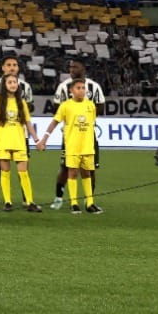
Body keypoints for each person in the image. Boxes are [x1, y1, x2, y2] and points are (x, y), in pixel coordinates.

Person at [38, 78, 100, 216]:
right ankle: (74, 203)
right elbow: (55, 122)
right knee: (72, 173)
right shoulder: (66, 106)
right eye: (78, 88)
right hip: (72, 146)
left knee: (87, 173)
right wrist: (44, 139)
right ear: (71, 91)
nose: (82, 90)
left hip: (88, 146)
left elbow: (91, 124)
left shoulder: (90, 105)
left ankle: (90, 203)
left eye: (83, 88)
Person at [48, 60, 106, 210]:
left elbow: (100, 107)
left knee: (90, 170)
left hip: (88, 134)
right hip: (70, 136)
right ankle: (59, 198)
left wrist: (84, 114)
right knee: (65, 168)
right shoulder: (63, 87)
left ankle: (89, 201)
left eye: (75, 67)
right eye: (70, 67)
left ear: (83, 68)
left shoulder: (94, 87)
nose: (71, 69)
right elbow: (57, 107)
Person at [0, 55, 31, 209]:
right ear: (2, 67)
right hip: (2, 134)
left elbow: (27, 110)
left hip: (20, 134)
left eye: (15, 65)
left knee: (23, 167)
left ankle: (26, 200)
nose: (12, 67)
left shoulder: (26, 87)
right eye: (8, 64)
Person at [0, 71, 39, 213]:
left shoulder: (21, 102)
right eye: (10, 82)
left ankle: (30, 202)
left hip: (19, 142)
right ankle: (7, 202)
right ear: (4, 85)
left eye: (15, 82)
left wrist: (37, 139)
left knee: (23, 172)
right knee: (5, 171)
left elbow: (28, 123)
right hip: (3, 141)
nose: (13, 84)